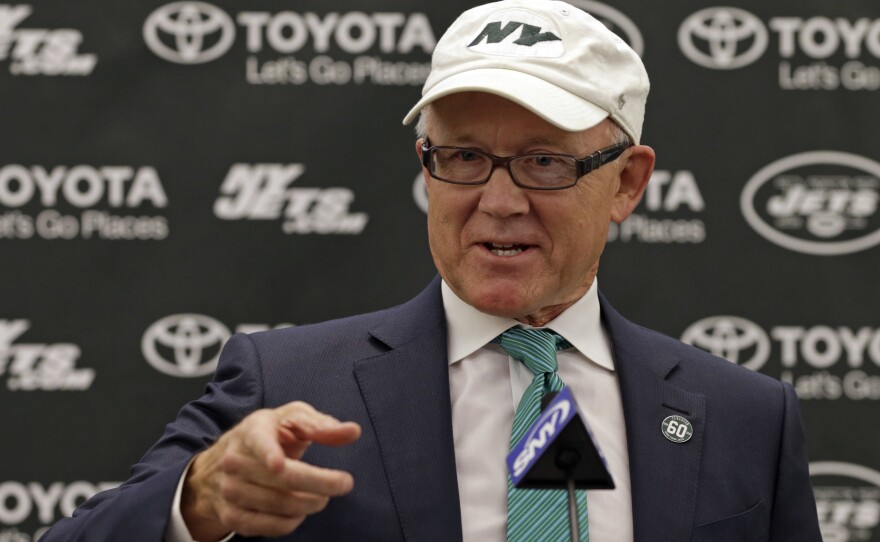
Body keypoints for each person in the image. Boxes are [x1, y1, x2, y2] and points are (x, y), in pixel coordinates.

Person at [42, 1, 821, 541]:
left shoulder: (747, 417)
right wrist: (201, 500)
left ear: (626, 183)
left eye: (544, 161)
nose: (499, 200)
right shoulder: (287, 384)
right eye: (464, 158)